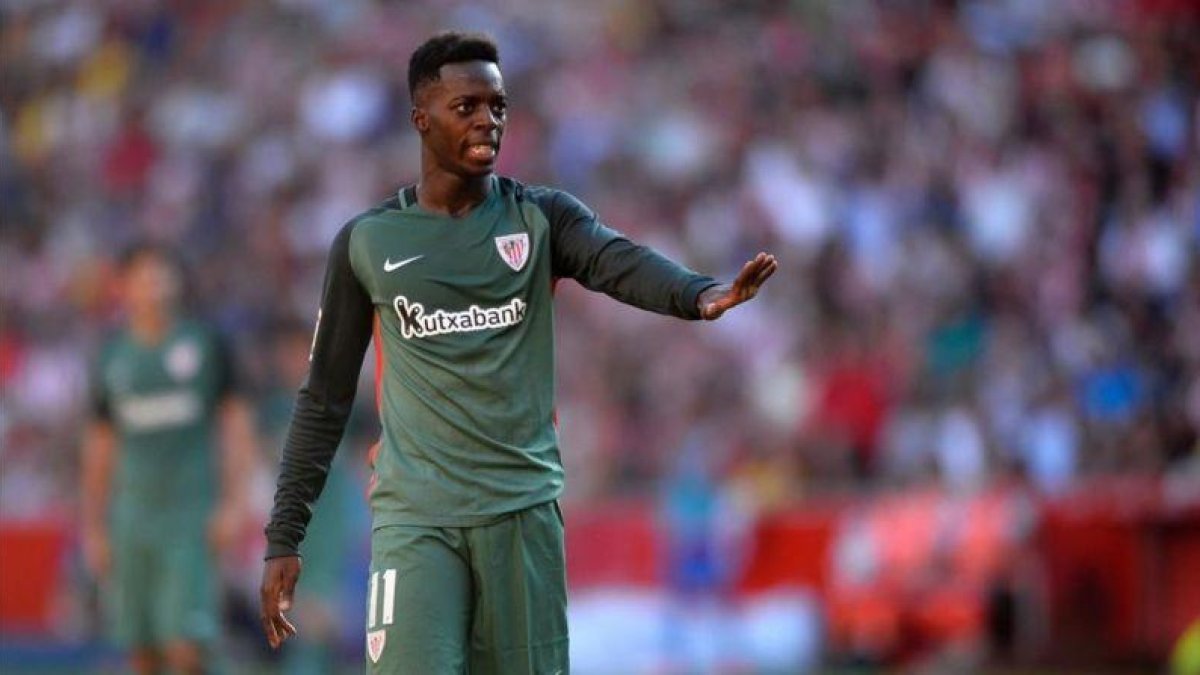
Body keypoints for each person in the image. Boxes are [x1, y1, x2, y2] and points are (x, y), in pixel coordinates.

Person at [260, 31, 777, 674]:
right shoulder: (369, 243)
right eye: (467, 106)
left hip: (521, 514)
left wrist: (700, 294)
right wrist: (285, 534)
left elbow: (618, 261)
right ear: (422, 119)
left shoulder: (539, 220)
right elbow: (324, 398)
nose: (488, 120)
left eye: (498, 106)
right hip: (416, 517)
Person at [81, 243, 256, 674]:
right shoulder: (111, 356)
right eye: (143, 276)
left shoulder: (206, 344)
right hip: (132, 518)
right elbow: (100, 445)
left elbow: (236, 427)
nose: (153, 285)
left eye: (161, 274)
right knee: (141, 650)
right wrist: (94, 525)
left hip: (189, 516)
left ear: (177, 281)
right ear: (123, 287)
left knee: (186, 646)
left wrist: (235, 503)